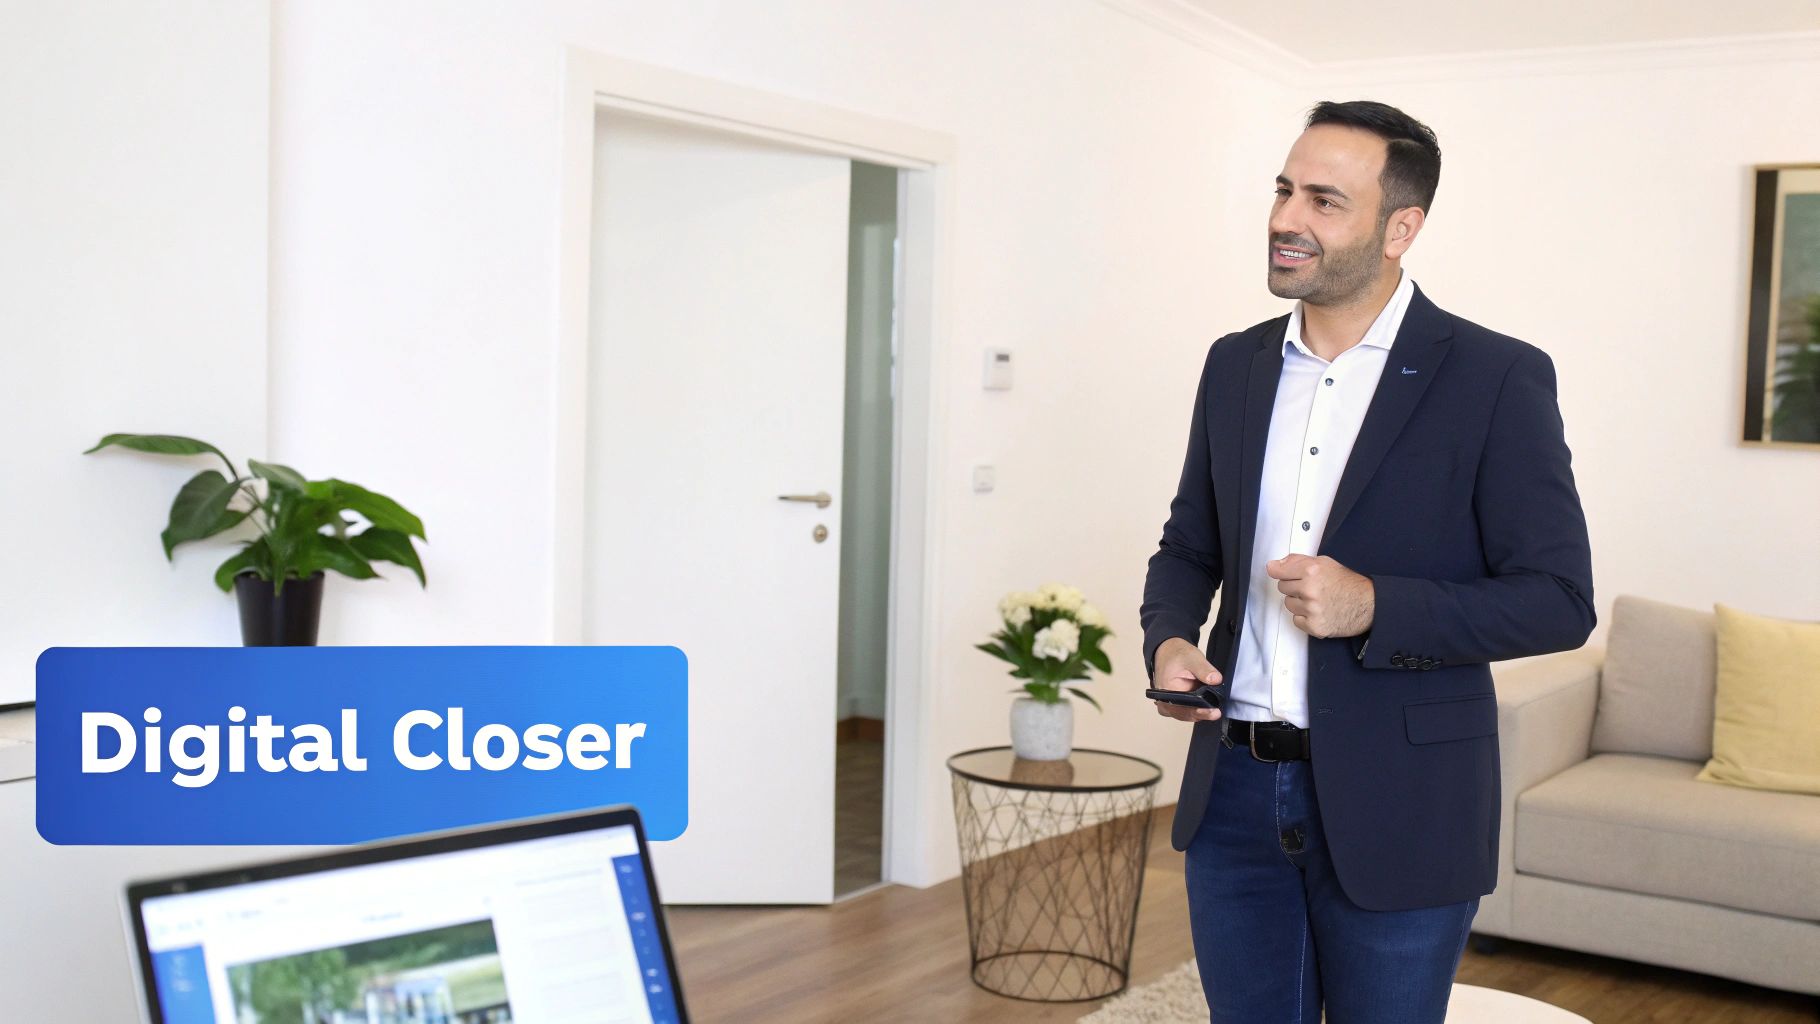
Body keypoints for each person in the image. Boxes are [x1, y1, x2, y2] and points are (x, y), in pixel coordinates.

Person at [1138, 99, 1595, 1023]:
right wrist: (1169, 636)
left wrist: (1376, 606)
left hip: (1405, 801)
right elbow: (1189, 543)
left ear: (1402, 227)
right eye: (1281, 190)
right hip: (1233, 793)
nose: (1284, 219)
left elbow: (1558, 600)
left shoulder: (1496, 377)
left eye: (1322, 200)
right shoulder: (1234, 365)